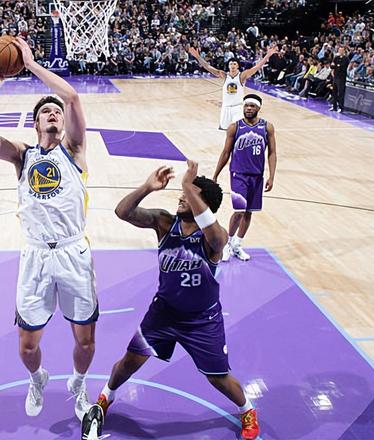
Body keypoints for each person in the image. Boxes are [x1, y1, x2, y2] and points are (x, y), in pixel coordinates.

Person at [81, 160, 260, 440]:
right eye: (183, 192)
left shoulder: (214, 237)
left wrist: (188, 184)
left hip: (202, 320)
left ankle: (247, 410)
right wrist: (147, 187)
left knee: (218, 377)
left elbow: (218, 239)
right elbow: (122, 212)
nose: (181, 196)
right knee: (130, 361)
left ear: (204, 203)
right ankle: (105, 397)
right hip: (163, 314)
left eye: (189, 194)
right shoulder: (165, 223)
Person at [0, 37, 96, 421]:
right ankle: (37, 377)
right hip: (36, 255)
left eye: (57, 112)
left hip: (73, 252)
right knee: (26, 346)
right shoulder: (22, 155)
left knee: (85, 341)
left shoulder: (74, 150)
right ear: (36, 123)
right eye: (46, 112)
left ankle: (78, 383)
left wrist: (31, 65)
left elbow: (72, 97)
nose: (54, 113)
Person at [213, 94, 277, 261]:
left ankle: (237, 244)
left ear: (258, 108)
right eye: (246, 105)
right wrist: (215, 175)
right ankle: (227, 243)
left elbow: (272, 153)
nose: (248, 108)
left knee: (249, 212)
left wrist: (272, 176)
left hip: (257, 175)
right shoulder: (235, 127)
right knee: (239, 211)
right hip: (238, 174)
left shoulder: (267, 127)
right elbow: (225, 152)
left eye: (252, 106)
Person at [188, 45, 278, 130]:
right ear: (228, 66)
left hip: (237, 108)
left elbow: (257, 67)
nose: (232, 65)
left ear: (238, 66)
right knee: (227, 132)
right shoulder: (224, 75)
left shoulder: (242, 76)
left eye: (234, 64)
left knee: (238, 130)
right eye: (231, 64)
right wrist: (198, 57)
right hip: (226, 108)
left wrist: (268, 55)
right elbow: (208, 67)